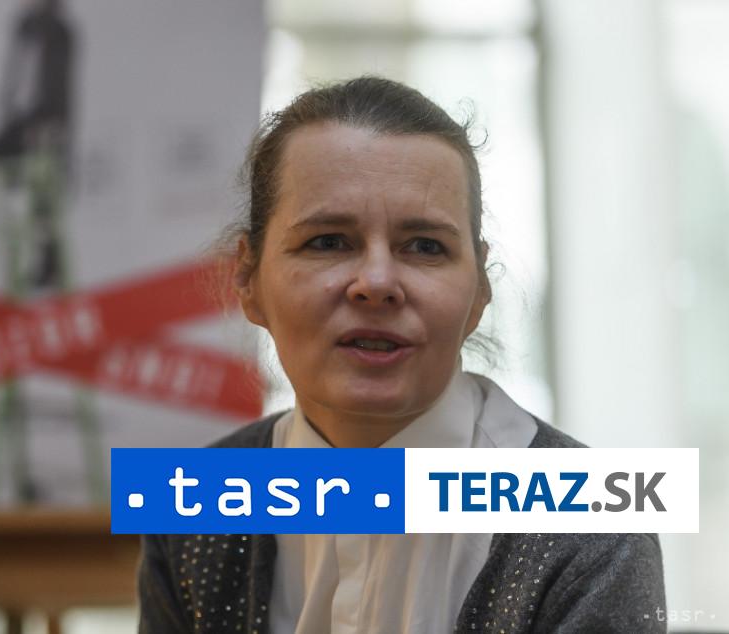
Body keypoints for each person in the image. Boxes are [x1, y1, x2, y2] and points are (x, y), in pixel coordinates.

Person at [137, 76, 666, 633]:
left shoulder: (593, 530)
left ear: (480, 291)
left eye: (425, 246)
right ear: (248, 278)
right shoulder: (193, 518)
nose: (376, 283)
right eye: (328, 241)